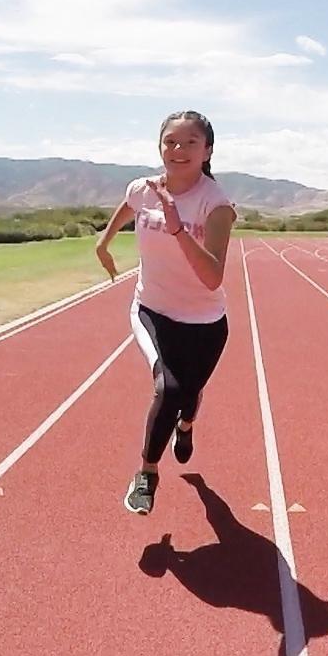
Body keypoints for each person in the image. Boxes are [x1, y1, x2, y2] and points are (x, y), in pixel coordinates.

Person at [94, 111, 236, 515]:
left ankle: (186, 426)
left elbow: (212, 277)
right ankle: (147, 474)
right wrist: (104, 243)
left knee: (189, 395)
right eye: (171, 141)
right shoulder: (143, 189)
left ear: (207, 150)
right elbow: (129, 207)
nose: (178, 150)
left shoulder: (216, 205)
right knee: (168, 389)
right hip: (152, 310)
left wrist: (177, 228)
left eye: (190, 142)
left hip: (206, 323)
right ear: (159, 146)